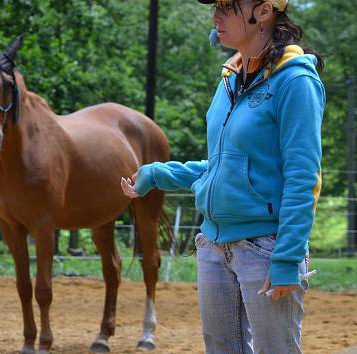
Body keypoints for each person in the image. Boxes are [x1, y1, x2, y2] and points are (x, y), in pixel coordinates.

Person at [121, 0, 325, 352]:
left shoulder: (296, 82)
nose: (215, 16)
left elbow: (303, 177)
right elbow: (221, 166)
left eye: (227, 6)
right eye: (215, 5)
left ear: (263, 11)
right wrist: (156, 173)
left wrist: (288, 257)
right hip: (214, 245)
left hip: (266, 248)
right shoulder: (230, 80)